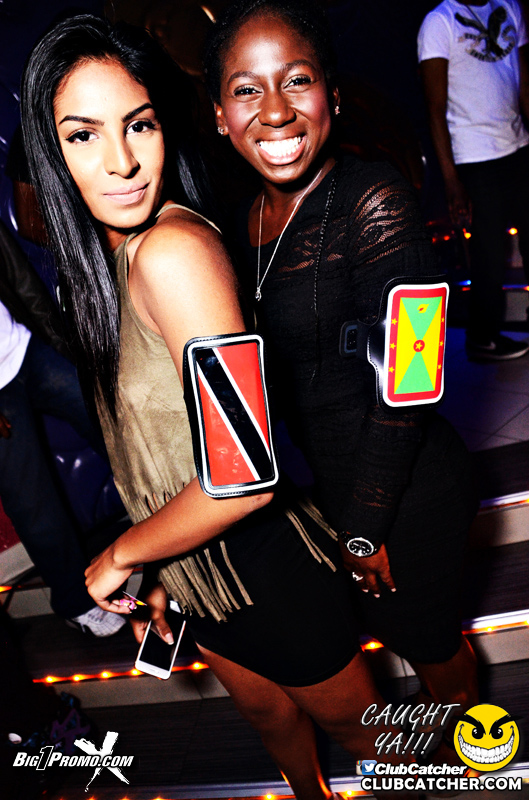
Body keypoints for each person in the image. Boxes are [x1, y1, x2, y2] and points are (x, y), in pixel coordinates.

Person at [21, 16, 417, 799]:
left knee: (372, 738)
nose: (122, 160)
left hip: (264, 569)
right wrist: (164, 565)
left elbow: (242, 479)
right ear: (49, 153)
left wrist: (122, 555)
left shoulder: (173, 252)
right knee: (269, 717)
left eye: (139, 124)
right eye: (83, 136)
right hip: (197, 568)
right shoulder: (105, 261)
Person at [205, 0, 479, 758]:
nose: (275, 110)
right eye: (246, 89)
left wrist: (363, 526)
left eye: (296, 80)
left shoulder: (375, 198)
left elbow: (411, 382)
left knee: (431, 650)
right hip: (326, 489)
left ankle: (467, 763)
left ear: (331, 91)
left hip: (406, 492)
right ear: (221, 116)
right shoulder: (237, 224)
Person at [0, 218, 125, 636]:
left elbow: (18, 275)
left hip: (24, 347)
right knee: (32, 500)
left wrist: (55, 339)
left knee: (114, 423)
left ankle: (169, 519)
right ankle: (75, 601)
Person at [418, 0, 529, 360]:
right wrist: (451, 180)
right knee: (489, 254)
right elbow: (434, 109)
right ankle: (483, 339)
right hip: (474, 157)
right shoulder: (440, 21)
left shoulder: (509, 7)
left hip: (519, 147)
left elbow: (524, 85)